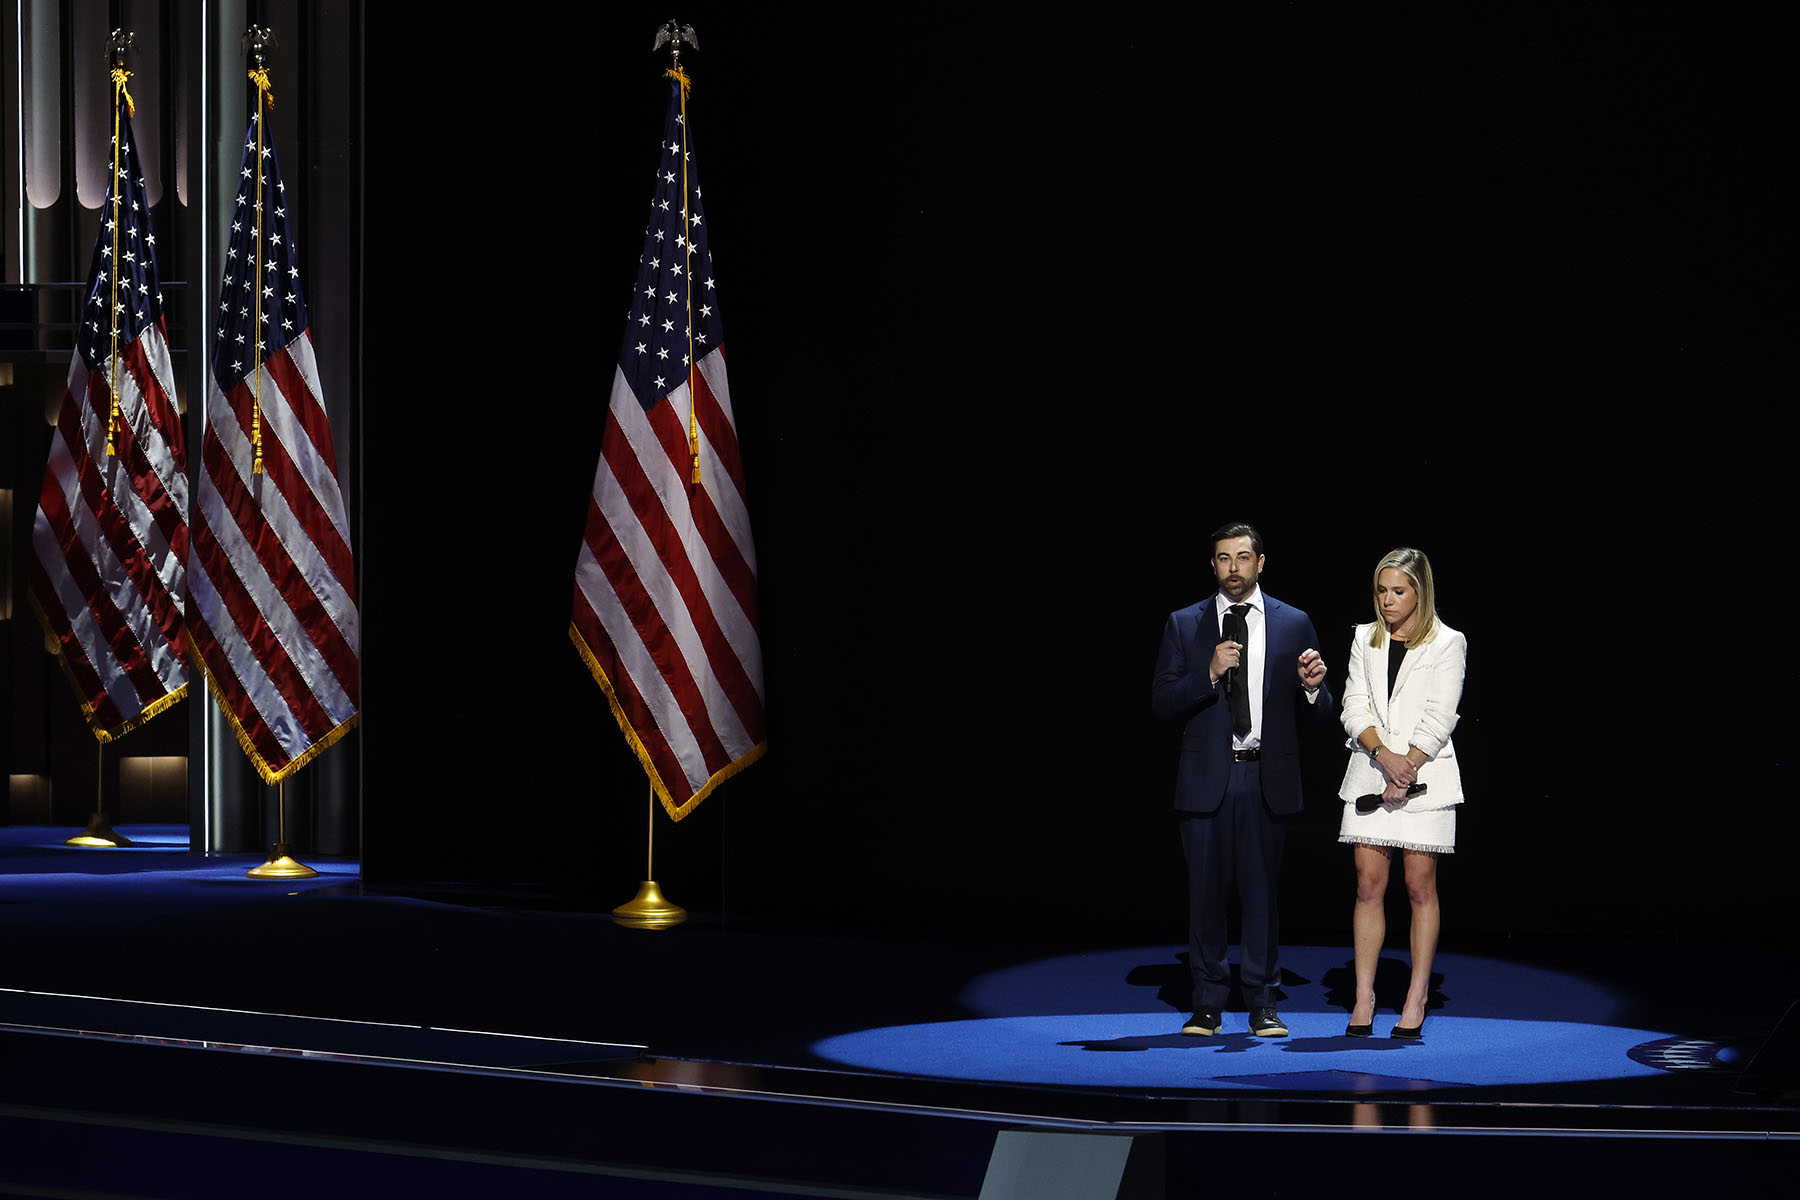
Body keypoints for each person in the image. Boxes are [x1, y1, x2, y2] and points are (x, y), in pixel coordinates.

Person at [1152, 523, 1333, 1038]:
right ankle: (1207, 1003)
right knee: (1204, 895)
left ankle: (1262, 1001)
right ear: (1212, 566)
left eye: (1242, 557)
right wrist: (1207, 673)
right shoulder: (1184, 624)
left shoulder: (1294, 622)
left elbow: (1322, 712)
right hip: (1206, 777)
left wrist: (1313, 690)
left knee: (1261, 896)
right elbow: (1161, 702)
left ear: (1260, 562)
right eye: (1222, 558)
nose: (1233, 567)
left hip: (1263, 778)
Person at [1336, 547, 1466, 1039]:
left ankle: (1416, 996)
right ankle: (1363, 995)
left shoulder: (1447, 642)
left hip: (1425, 779)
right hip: (1372, 773)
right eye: (1381, 591)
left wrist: (1406, 764)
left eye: (1398, 591)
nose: (1387, 601)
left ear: (1420, 593)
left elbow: (1441, 713)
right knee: (1369, 885)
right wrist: (1384, 758)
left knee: (1418, 886)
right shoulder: (1362, 639)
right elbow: (1352, 705)